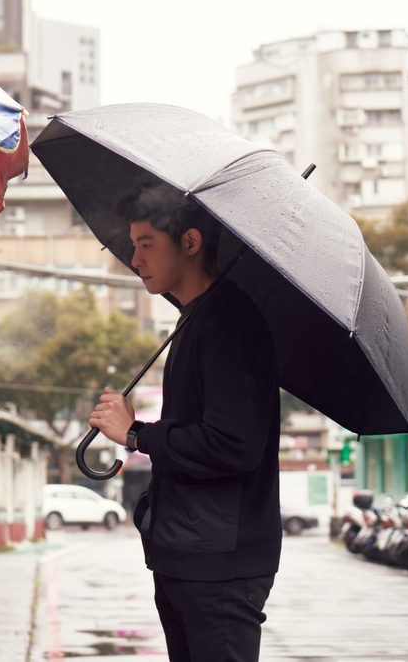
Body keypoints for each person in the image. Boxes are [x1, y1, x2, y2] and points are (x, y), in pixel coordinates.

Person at [89, 185, 281, 662]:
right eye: (133, 244)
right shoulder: (196, 319)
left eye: (147, 243)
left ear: (191, 242)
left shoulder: (229, 323)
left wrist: (137, 434)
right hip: (187, 555)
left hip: (219, 565)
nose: (135, 259)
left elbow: (234, 444)